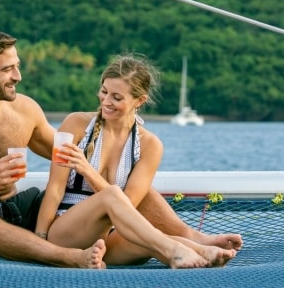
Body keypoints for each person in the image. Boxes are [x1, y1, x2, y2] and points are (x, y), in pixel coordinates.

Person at [0, 28, 242, 269]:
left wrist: (107, 137)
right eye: (7, 69)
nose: (19, 75)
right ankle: (70, 257)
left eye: (17, 65)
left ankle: (190, 238)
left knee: (133, 191)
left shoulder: (25, 111)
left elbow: (68, 160)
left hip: (21, 211)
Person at [34, 54, 236, 268]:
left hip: (107, 237)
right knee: (112, 195)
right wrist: (40, 241)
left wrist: (88, 171)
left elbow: (128, 206)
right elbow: (55, 188)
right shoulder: (75, 124)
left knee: (148, 242)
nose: (106, 101)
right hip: (65, 231)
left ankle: (201, 251)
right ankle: (178, 250)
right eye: (104, 92)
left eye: (117, 97)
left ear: (139, 101)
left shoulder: (149, 145)